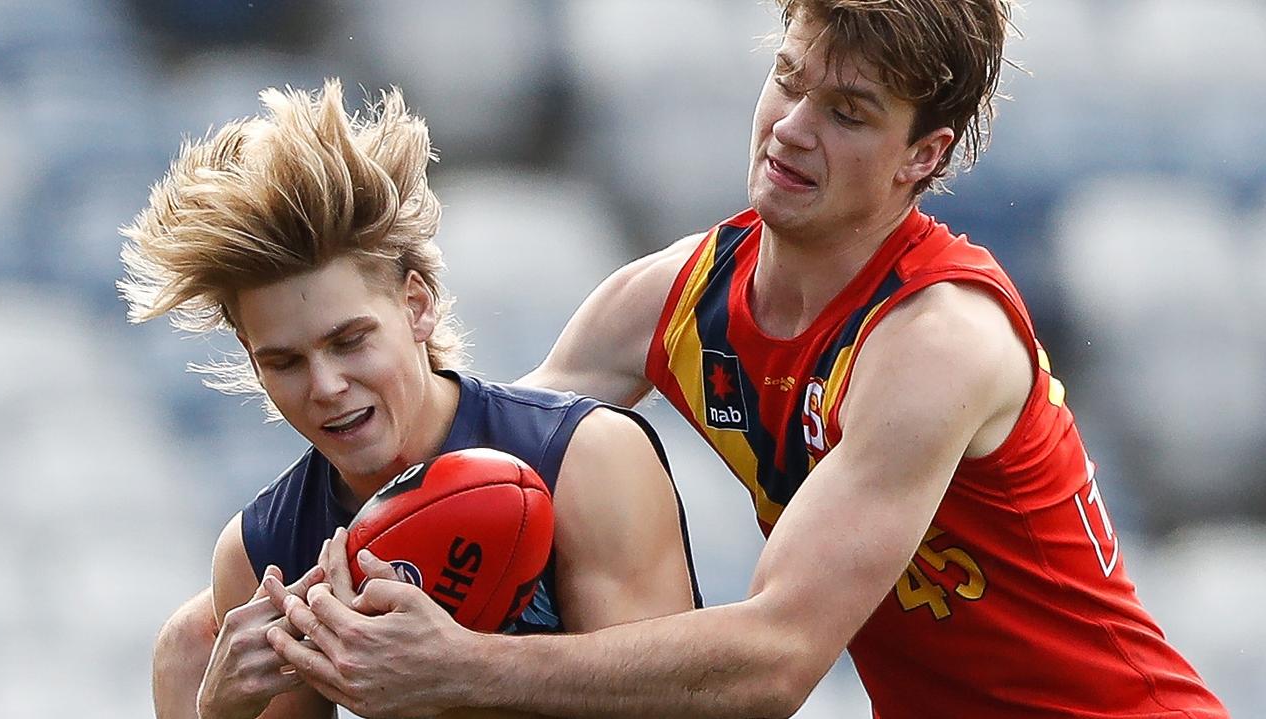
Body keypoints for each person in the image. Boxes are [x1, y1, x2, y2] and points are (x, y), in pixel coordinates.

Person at [260, 2, 1230, 718]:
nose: (792, 127)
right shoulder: (668, 299)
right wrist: (268, 620)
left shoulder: (936, 341)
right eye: (789, 78)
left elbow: (774, 661)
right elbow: (469, 474)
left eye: (847, 112)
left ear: (920, 156)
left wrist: (463, 666)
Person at [122, 79, 701, 719]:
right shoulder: (264, 554)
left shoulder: (586, 460)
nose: (326, 386)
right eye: (284, 362)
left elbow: (673, 706)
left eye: (349, 341)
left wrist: (451, 676)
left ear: (416, 306)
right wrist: (220, 712)